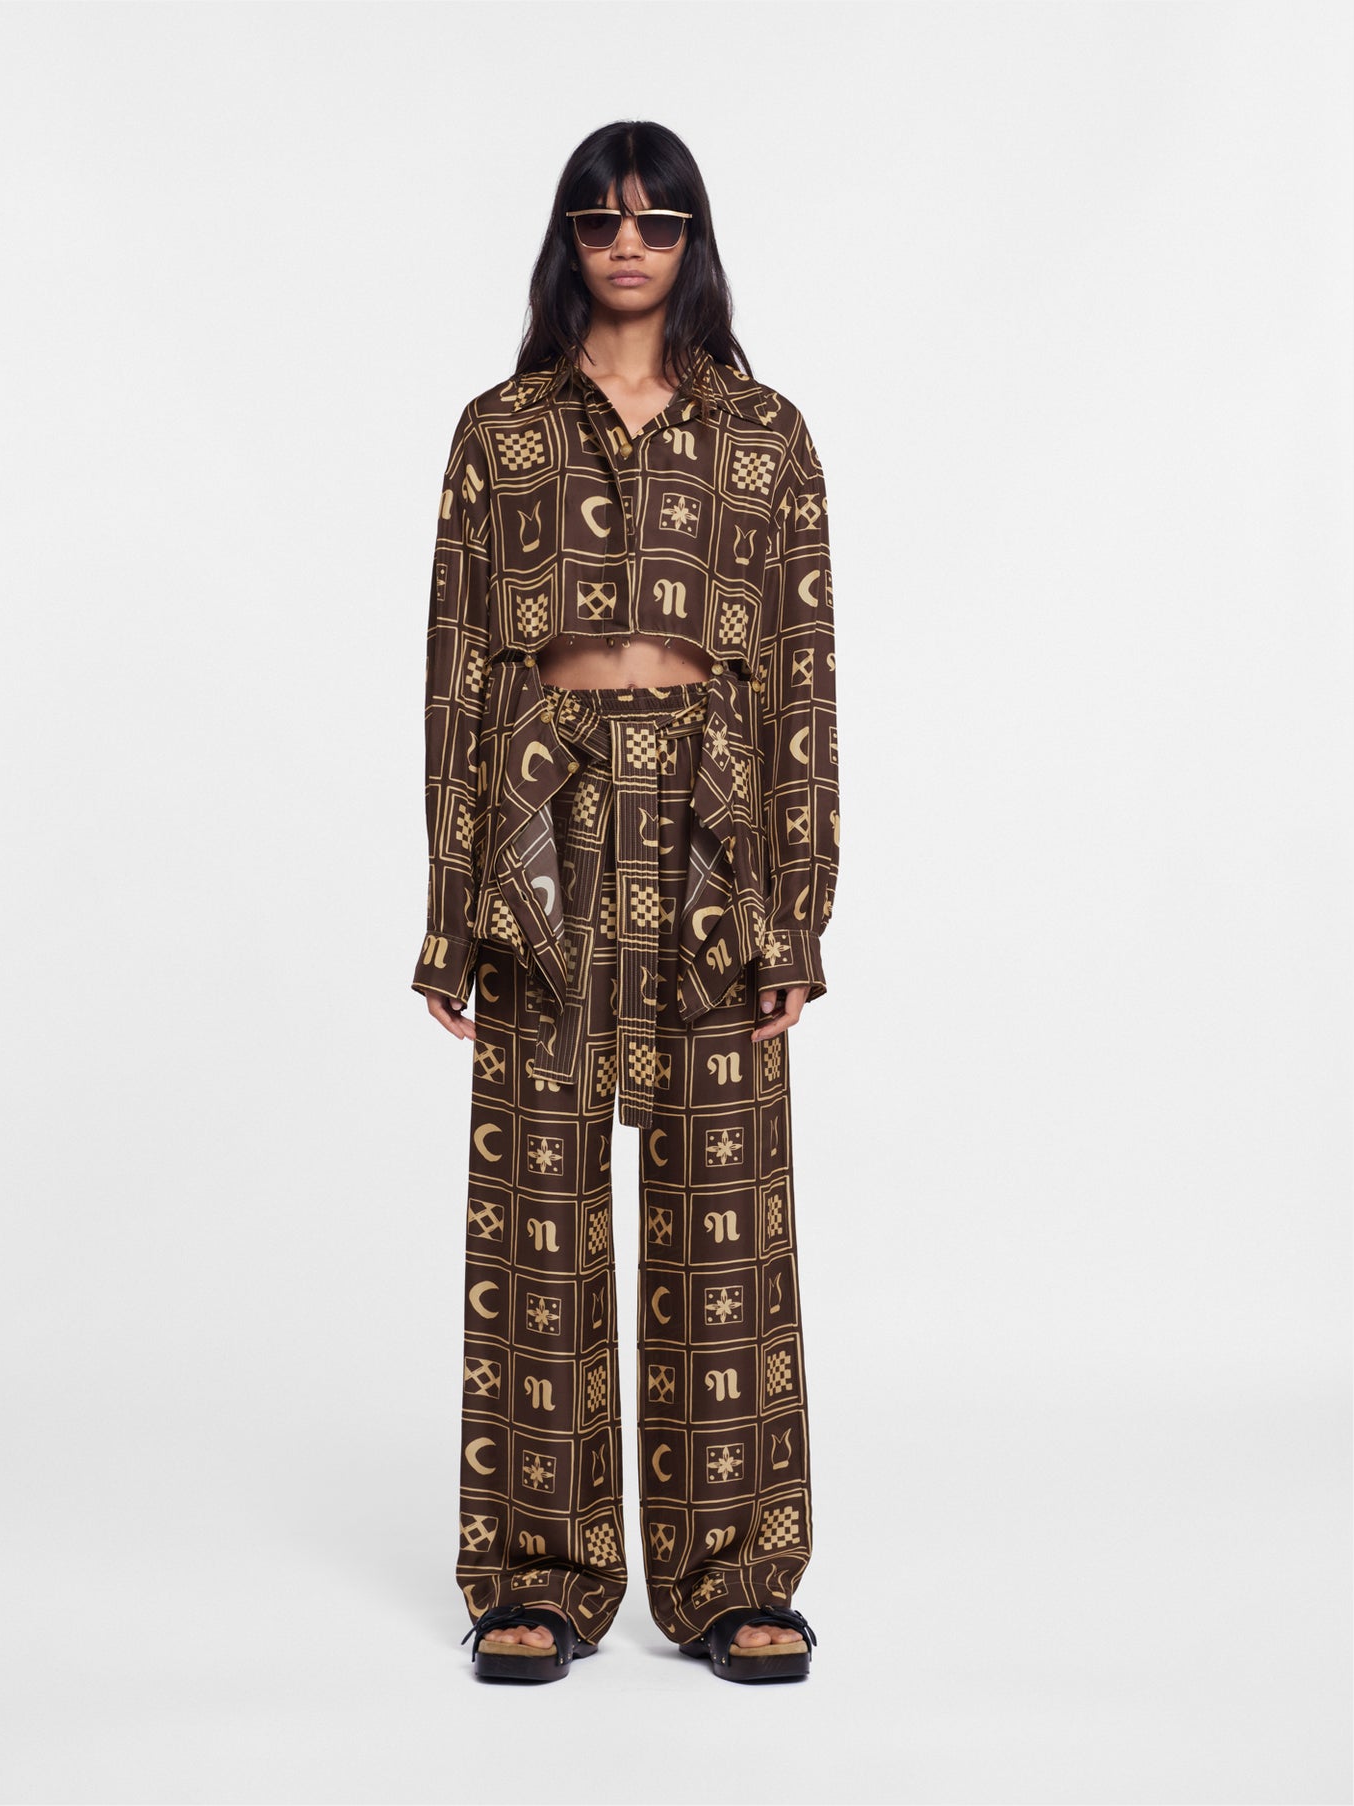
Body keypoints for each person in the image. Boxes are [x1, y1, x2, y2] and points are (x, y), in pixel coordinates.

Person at [414, 120, 838, 1684]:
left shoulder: (764, 435)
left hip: (714, 829)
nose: (627, 243)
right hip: (541, 816)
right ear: (569, 239)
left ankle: (734, 1574)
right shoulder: (500, 429)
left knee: (724, 1201)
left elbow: (798, 671)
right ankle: (535, 1568)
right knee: (536, 1202)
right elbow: (460, 667)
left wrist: (795, 905)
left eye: (655, 221)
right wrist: (451, 902)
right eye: (599, 219)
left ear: (691, 241)